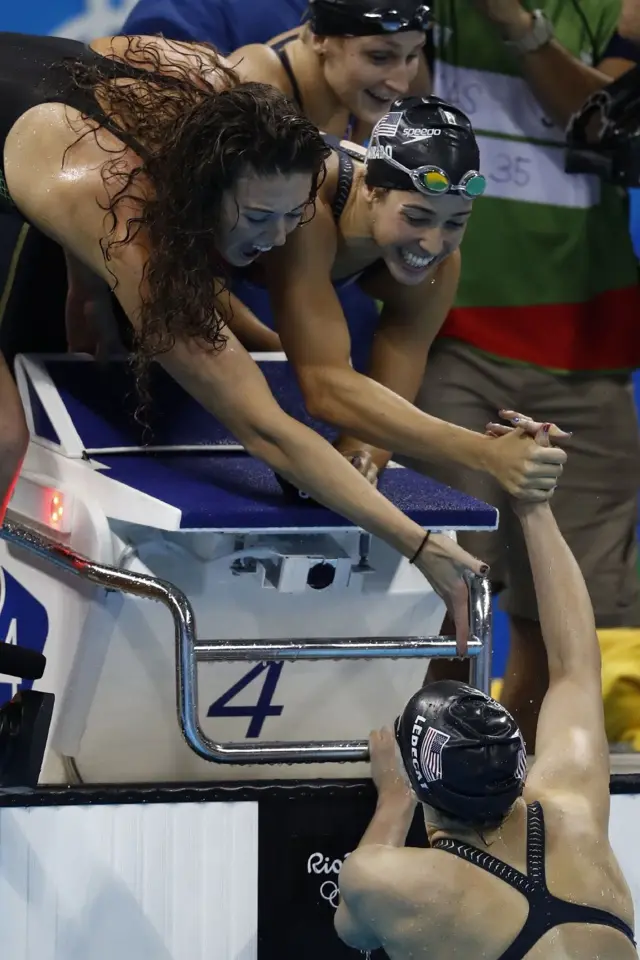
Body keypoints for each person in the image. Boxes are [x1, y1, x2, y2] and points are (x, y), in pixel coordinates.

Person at [0, 30, 536, 645]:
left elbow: (88, 58)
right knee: (5, 435)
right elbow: (263, 427)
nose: (278, 241)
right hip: (54, 168)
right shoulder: (113, 210)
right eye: (257, 218)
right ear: (200, 192)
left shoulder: (222, 96)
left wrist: (87, 282)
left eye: (293, 215)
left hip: (42, 138)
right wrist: (419, 545)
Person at [411, 0, 640, 749]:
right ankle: (412, 789)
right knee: (441, 597)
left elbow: (615, 131)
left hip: (586, 349)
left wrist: (522, 26)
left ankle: (538, 809)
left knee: (573, 621)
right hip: (448, 334)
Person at [335, 415, 636, 960]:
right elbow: (574, 665)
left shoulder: (387, 881)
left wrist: (394, 803)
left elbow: (353, 929)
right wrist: (534, 505)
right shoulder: (574, 807)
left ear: (422, 780)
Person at [257, 94, 568, 492]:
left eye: (456, 222)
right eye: (417, 217)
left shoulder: (440, 267)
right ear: (371, 189)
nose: (433, 244)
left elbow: (391, 391)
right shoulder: (309, 201)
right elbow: (324, 386)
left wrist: (360, 456)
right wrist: (484, 452)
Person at [231, 0, 431, 145]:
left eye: (412, 55)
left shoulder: (403, 70)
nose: (401, 84)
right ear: (320, 40)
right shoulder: (255, 84)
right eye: (379, 57)